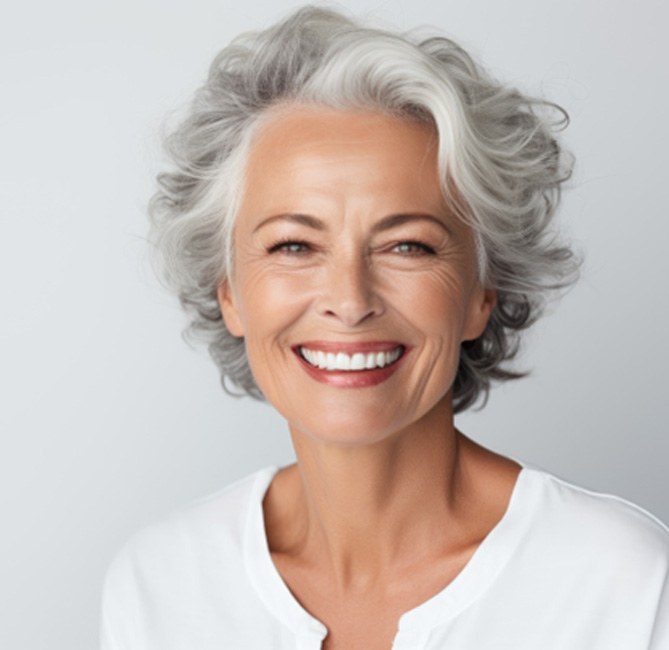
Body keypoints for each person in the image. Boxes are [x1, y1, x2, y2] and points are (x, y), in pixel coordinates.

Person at [100, 6, 669, 649]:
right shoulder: (159, 586)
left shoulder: (625, 585)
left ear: (483, 292)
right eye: (293, 246)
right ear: (229, 293)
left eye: (408, 246)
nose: (349, 300)